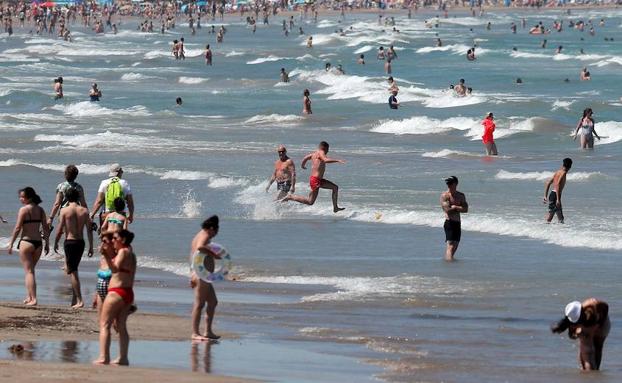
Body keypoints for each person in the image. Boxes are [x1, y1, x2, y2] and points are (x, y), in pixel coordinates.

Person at [94, 229, 136, 365]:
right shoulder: (131, 254)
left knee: (104, 324)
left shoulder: (123, 252)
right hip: (128, 292)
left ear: (122, 240)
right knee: (121, 326)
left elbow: (115, 269)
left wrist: (105, 254)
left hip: (116, 292)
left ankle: (103, 357)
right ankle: (123, 358)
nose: (112, 241)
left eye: (115, 238)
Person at [7, 187, 50, 306]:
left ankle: (34, 299)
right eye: (20, 197)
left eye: (23, 197)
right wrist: (47, 244)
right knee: (30, 271)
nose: (21, 199)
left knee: (29, 272)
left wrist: (11, 243)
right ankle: (29, 297)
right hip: (38, 244)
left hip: (26, 242)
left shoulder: (23, 210)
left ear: (29, 198)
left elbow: (17, 228)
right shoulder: (40, 210)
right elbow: (45, 228)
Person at [54, 188, 94, 309]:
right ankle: (74, 300)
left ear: (66, 197)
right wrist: (91, 246)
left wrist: (55, 242)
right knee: (73, 269)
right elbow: (89, 230)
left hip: (70, 242)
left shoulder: (64, 210)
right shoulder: (84, 211)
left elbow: (60, 229)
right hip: (81, 242)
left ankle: (80, 300)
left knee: (73, 271)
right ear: (77, 197)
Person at [281, 141, 346, 213]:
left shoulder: (314, 154)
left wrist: (303, 165)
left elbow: (306, 158)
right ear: (324, 148)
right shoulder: (321, 152)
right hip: (316, 180)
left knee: (335, 187)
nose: (328, 151)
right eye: (328, 149)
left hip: (318, 180)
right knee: (310, 201)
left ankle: (335, 208)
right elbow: (325, 160)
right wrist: (337, 160)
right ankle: (291, 197)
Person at [551, 299, 610, 370]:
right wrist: (575, 334)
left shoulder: (592, 303)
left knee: (597, 346)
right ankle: (587, 370)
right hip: (589, 323)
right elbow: (571, 334)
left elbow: (606, 306)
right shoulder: (571, 316)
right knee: (586, 350)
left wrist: (600, 324)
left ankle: (594, 370)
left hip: (602, 323)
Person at [190, 216, 221, 341]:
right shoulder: (205, 235)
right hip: (201, 275)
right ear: (212, 228)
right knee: (199, 304)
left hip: (202, 275)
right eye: (216, 231)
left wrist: (190, 274)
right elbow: (200, 248)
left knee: (213, 302)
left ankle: (207, 331)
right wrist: (214, 254)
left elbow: (192, 256)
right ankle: (195, 333)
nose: (215, 234)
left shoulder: (199, 235)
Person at [48, 164, 88, 229]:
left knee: (64, 232)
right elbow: (83, 203)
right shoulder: (79, 187)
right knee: (74, 233)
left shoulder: (61, 186)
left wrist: (51, 218)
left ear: (65, 174)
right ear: (76, 176)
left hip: (64, 212)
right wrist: (87, 216)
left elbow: (57, 204)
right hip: (76, 212)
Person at [440, 176, 468, 262]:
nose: (448, 185)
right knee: (450, 245)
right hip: (449, 222)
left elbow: (465, 209)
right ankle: (449, 262)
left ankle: (448, 260)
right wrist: (457, 208)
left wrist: (455, 207)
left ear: (456, 184)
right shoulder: (445, 196)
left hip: (457, 223)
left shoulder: (461, 195)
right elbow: (447, 210)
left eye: (450, 183)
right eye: (447, 183)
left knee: (455, 245)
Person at [543, 158, 572, 224]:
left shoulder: (558, 172)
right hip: (556, 196)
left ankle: (556, 232)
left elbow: (548, 183)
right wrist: (558, 200)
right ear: (570, 166)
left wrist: (545, 196)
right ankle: (545, 230)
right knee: (551, 218)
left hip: (552, 195)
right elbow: (557, 184)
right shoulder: (563, 173)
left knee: (560, 218)